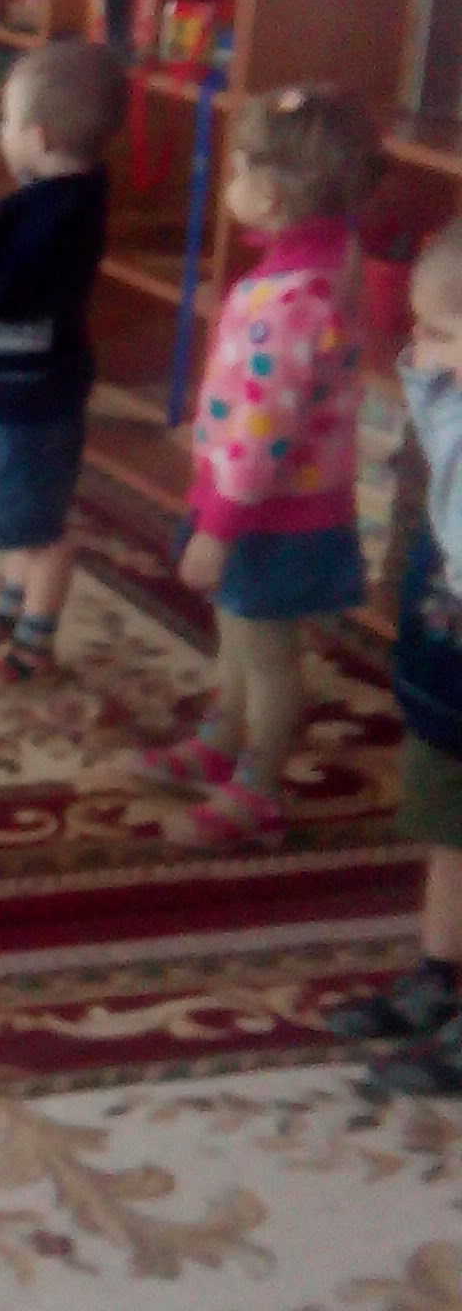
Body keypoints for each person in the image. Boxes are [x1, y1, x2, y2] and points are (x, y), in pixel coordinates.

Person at [135, 84, 381, 852]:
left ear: (268, 195)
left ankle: (258, 788)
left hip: (270, 516)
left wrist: (217, 526)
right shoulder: (317, 261)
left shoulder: (292, 301)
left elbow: (263, 433)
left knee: (268, 654)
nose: (229, 179)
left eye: (237, 167)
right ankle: (221, 738)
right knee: (239, 633)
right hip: (257, 502)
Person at [0, 38, 126, 680]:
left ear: (36, 138)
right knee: (19, 518)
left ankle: (36, 643)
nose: (2, 134)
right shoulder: (56, 200)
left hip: (30, 404)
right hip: (17, 396)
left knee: (40, 531)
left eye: (7, 121)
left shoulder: (59, 213)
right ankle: (11, 612)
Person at [330, 223, 462, 1086]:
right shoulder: (445, 396)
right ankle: (438, 976)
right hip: (447, 655)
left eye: (439, 333)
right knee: (447, 825)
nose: (421, 354)